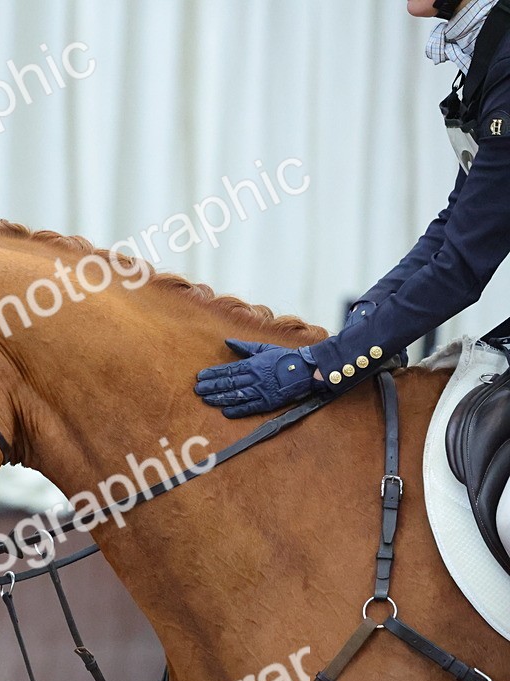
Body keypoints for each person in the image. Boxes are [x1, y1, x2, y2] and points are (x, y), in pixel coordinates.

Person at [195, 0, 510, 419]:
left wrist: (324, 363)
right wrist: (371, 308)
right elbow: (456, 221)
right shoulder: (490, 50)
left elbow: (461, 266)